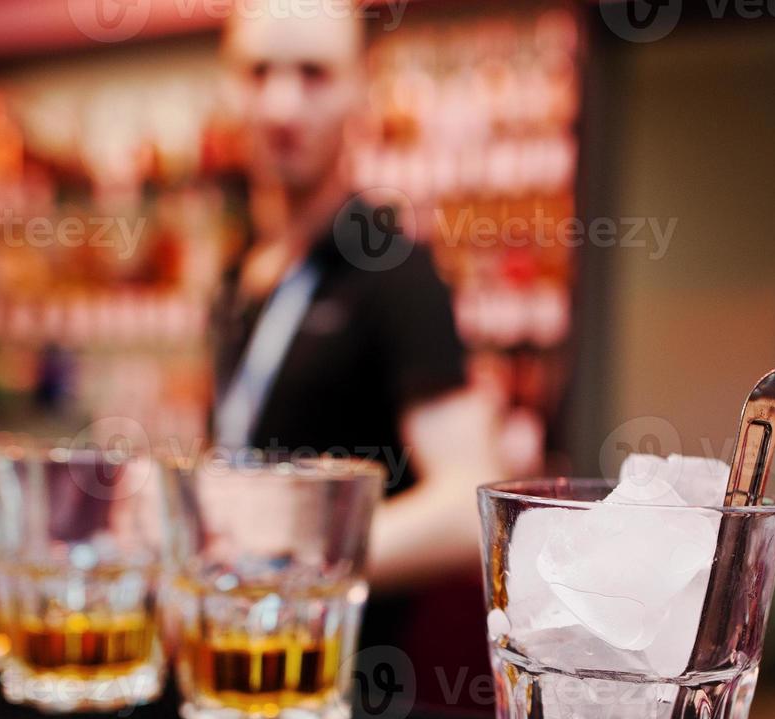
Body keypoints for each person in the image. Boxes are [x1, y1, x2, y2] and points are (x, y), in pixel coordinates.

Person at [214, 1, 535, 643]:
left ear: (361, 88)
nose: (282, 106)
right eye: (258, 73)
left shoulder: (394, 271)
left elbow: (470, 505)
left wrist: (287, 560)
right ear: (227, 86)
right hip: (240, 664)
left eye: (313, 73)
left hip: (354, 696)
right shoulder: (241, 273)